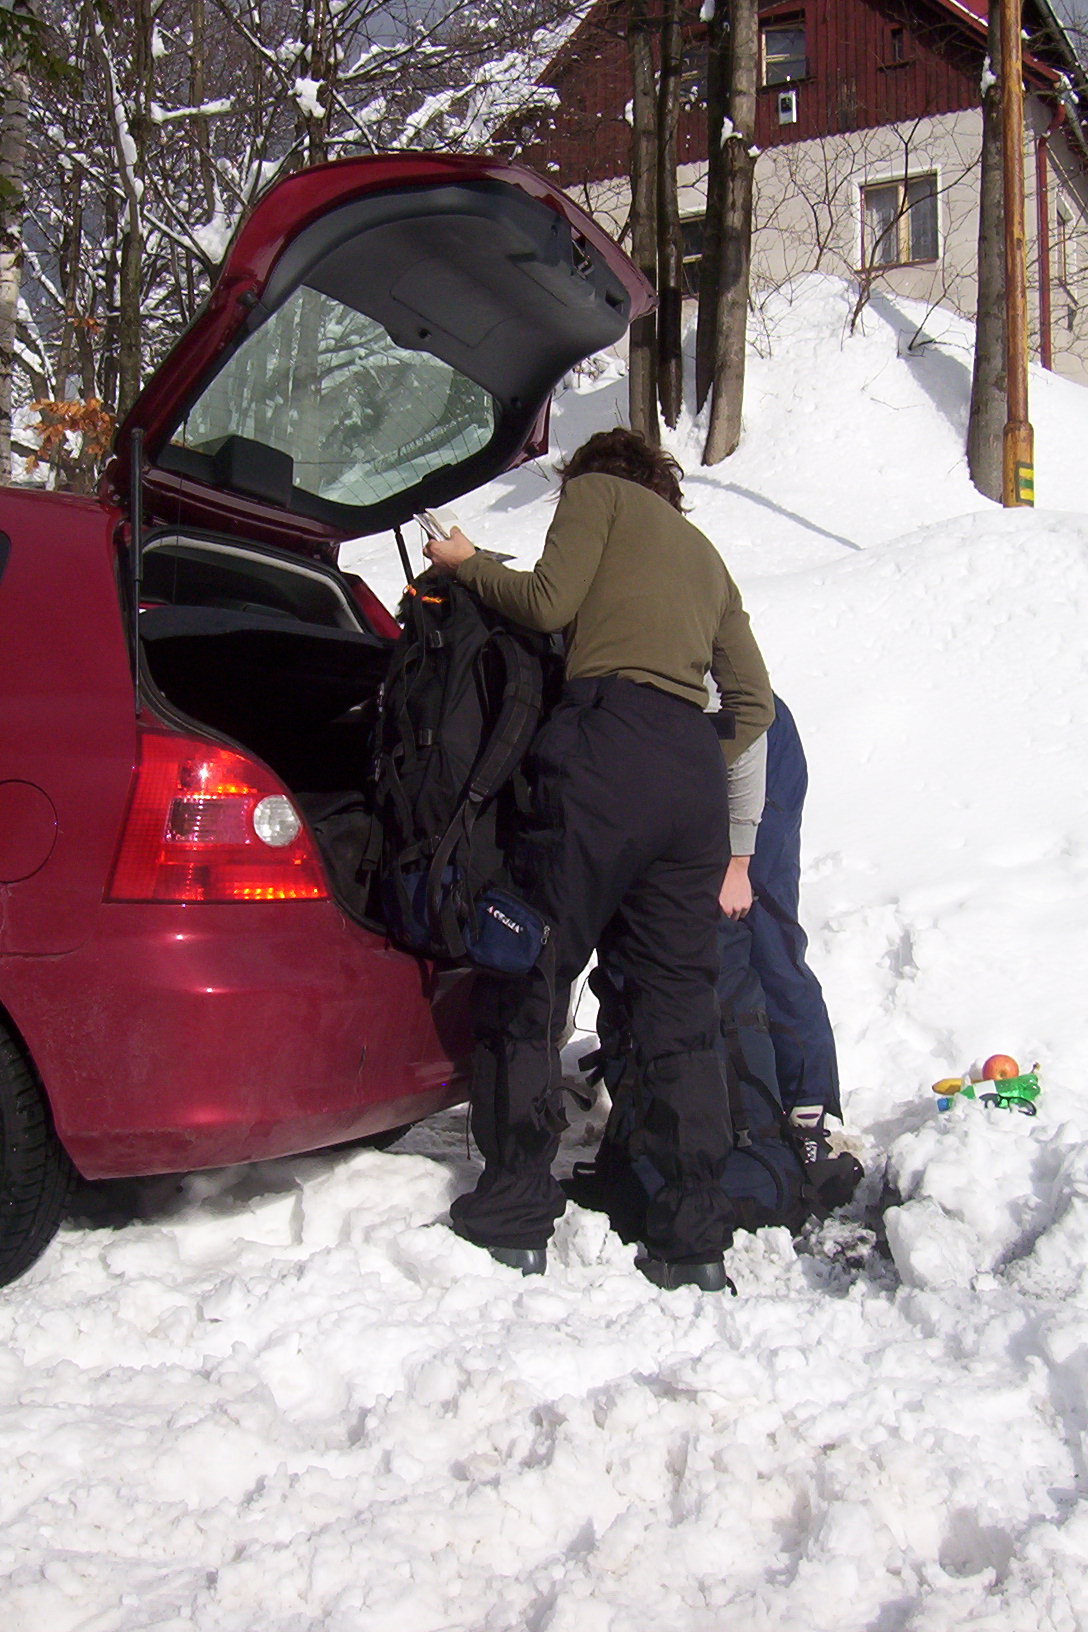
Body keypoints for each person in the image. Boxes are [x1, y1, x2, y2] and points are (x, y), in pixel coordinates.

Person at [422, 427, 774, 1291]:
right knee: (675, 1004)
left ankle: (511, 1212)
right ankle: (689, 1239)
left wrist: (465, 561)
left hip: (601, 748)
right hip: (691, 775)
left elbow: (546, 603)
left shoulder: (598, 496)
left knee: (531, 970)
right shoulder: (706, 555)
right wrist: (682, 756)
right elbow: (756, 702)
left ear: (593, 476)